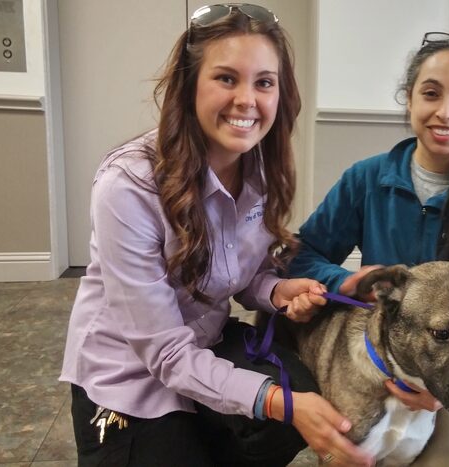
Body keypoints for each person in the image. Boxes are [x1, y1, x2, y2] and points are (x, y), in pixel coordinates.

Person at [59, 4, 373, 466]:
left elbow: (241, 272)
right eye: (226, 78)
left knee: (295, 402)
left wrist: (277, 289)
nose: (247, 99)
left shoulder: (260, 165)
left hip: (202, 342)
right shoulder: (128, 185)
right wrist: (279, 402)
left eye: (264, 82)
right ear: (189, 87)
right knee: (286, 405)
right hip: (130, 374)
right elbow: (165, 353)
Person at [288, 32, 449, 466]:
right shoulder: (366, 179)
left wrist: (437, 390)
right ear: (409, 99)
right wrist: (347, 281)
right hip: (393, 349)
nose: (444, 112)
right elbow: (301, 256)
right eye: (431, 93)